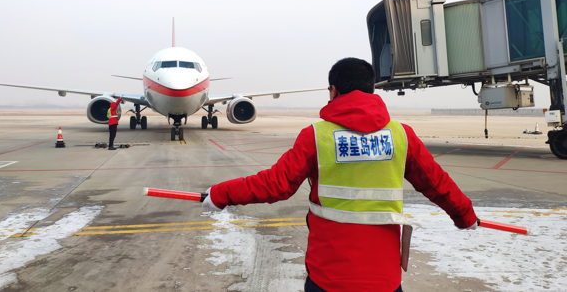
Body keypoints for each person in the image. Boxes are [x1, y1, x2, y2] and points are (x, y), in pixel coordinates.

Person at [201, 58, 478, 292]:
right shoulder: (401, 136)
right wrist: (465, 216)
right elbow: (437, 184)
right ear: (372, 90)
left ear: (332, 91)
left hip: (329, 276)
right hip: (384, 278)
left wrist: (219, 194)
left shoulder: (317, 137)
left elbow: (275, 185)